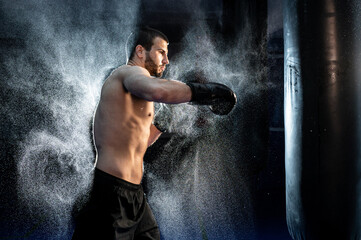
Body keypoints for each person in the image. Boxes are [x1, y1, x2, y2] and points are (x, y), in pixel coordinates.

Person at [72, 27, 236, 240]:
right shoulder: (128, 74)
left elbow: (140, 142)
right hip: (112, 195)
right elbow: (159, 90)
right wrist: (206, 92)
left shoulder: (138, 92)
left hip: (135, 195)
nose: (166, 60)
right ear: (140, 51)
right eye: (161, 52)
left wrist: (161, 124)